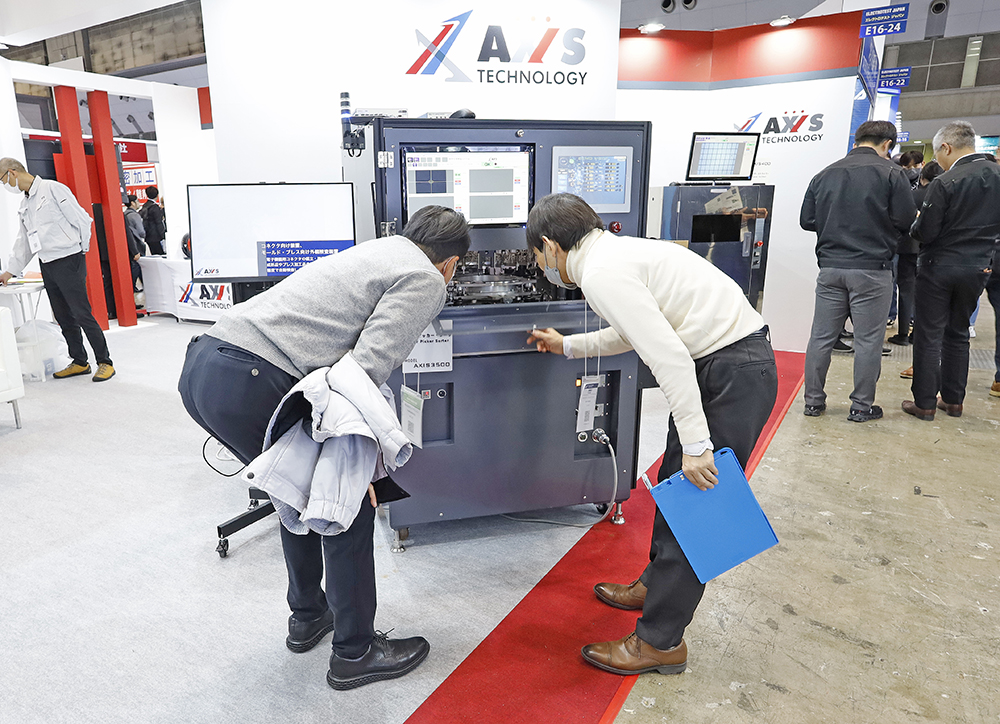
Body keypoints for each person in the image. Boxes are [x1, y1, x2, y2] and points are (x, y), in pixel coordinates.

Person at [178, 205, 470, 690]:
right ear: (451, 263)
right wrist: (364, 468)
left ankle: (309, 615)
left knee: (295, 489)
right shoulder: (425, 277)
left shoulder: (381, 250)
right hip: (253, 375)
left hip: (206, 366)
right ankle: (355, 651)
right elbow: (364, 371)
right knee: (344, 503)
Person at [525, 193, 777, 677]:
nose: (543, 267)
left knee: (696, 506)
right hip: (724, 366)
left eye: (538, 257)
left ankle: (660, 642)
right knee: (674, 485)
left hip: (731, 372)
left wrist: (698, 445)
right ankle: (654, 585)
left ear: (551, 246)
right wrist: (569, 345)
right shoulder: (613, 253)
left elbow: (668, 356)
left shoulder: (599, 272)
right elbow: (636, 331)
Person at [799, 120, 916, 422]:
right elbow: (906, 221)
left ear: (857, 140)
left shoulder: (824, 173)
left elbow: (807, 220)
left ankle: (813, 402)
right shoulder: (892, 173)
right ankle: (861, 407)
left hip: (831, 268)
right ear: (887, 144)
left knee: (821, 337)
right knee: (868, 340)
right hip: (872, 269)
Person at [903, 121, 1000, 420]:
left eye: (936, 154)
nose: (937, 161)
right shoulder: (997, 175)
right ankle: (953, 401)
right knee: (958, 334)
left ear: (946, 147)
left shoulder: (946, 181)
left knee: (929, 335)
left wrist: (915, 225)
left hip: (939, 267)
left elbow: (926, 231)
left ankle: (925, 403)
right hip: (979, 266)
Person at [0, 157, 115, 382]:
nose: (4, 185)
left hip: (68, 259)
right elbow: (24, 242)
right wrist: (9, 272)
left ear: (12, 173)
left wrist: (80, 249)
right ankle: (80, 361)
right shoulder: (25, 204)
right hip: (47, 263)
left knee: (81, 313)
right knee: (63, 315)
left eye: (2, 180)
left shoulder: (52, 189)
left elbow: (82, 220)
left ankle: (105, 362)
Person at [891, 160, 944, 349]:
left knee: (905, 290)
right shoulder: (944, 197)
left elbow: (901, 220)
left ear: (922, 178)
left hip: (907, 248)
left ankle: (903, 333)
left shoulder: (912, 196)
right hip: (933, 251)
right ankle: (918, 333)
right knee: (929, 294)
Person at [123, 194, 145, 295]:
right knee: (137, 265)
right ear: (132, 203)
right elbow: (141, 231)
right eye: (137, 201)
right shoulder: (135, 215)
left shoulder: (125, 214)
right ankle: (134, 285)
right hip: (137, 243)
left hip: (129, 244)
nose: (139, 203)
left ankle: (133, 286)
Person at [141, 186, 166, 255]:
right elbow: (158, 223)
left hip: (148, 235)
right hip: (156, 236)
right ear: (157, 195)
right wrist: (163, 235)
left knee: (154, 255)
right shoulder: (155, 207)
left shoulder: (145, 206)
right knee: (160, 255)